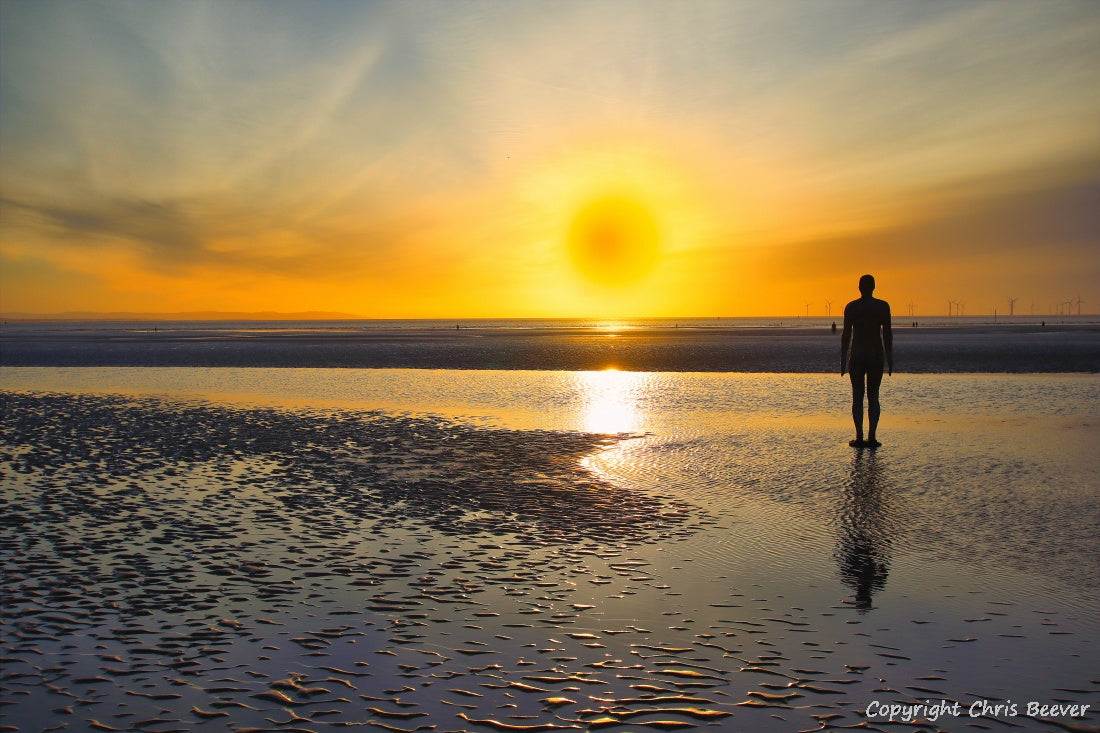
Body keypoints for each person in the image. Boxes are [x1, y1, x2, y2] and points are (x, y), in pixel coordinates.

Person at [841, 274, 893, 448]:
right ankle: (871, 437)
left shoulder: (852, 307)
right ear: (874, 287)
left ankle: (860, 436)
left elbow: (846, 335)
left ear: (859, 287)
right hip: (875, 354)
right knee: (873, 396)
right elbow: (887, 335)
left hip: (857, 354)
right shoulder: (882, 307)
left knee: (857, 396)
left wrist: (843, 358)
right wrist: (890, 357)